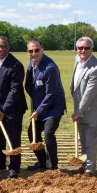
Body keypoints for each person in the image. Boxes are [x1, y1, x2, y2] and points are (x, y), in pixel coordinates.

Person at [0, 36, 27, 179]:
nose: (0, 49)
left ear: (9, 48)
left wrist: (4, 111)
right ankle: (0, 162)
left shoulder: (16, 65)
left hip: (13, 108)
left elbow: (15, 91)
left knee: (13, 138)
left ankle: (14, 167)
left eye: (3, 46)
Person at [24, 38, 66, 171]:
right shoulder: (32, 63)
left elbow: (51, 94)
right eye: (31, 51)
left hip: (54, 107)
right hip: (40, 106)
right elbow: (29, 85)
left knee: (48, 132)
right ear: (28, 52)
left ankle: (53, 165)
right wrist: (35, 102)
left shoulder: (50, 68)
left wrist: (39, 110)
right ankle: (42, 162)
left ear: (42, 49)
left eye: (37, 50)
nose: (34, 53)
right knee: (32, 132)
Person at [71, 36, 97, 177]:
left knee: (91, 139)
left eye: (86, 48)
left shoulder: (96, 68)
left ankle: (90, 169)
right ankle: (85, 164)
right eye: (80, 48)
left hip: (92, 110)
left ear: (92, 49)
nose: (83, 50)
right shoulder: (77, 60)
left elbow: (89, 94)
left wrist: (79, 112)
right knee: (83, 139)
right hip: (80, 108)